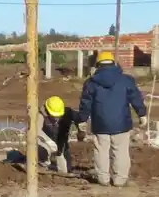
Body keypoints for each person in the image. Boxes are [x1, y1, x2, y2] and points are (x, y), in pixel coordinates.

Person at [75, 51, 148, 187]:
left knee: (101, 151)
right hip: (121, 123)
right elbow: (136, 98)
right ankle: (120, 179)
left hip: (100, 124)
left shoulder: (91, 83)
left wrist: (82, 120)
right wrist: (142, 114)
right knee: (120, 151)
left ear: (98, 65)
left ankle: (103, 179)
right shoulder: (126, 80)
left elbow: (85, 103)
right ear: (114, 63)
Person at [37, 95, 75, 174]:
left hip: (59, 143)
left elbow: (80, 118)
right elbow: (36, 131)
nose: (56, 118)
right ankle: (42, 164)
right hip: (44, 142)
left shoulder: (67, 113)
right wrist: (49, 142)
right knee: (41, 148)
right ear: (47, 110)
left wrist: (81, 129)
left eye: (58, 116)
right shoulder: (40, 116)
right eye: (54, 115)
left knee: (66, 170)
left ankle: (53, 166)